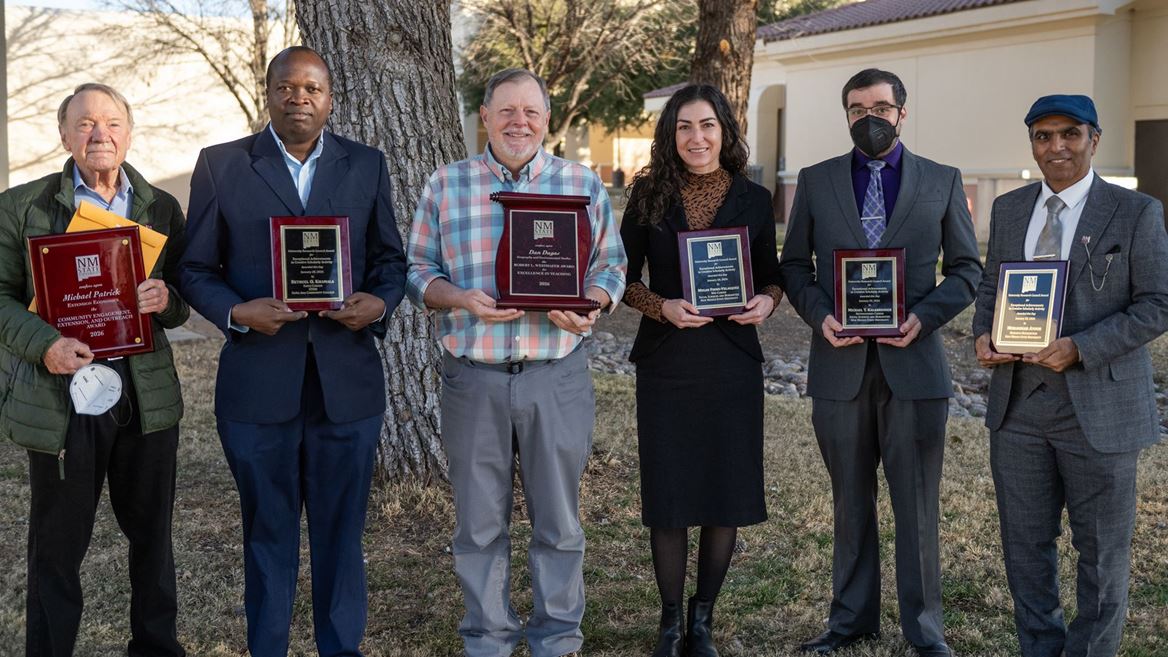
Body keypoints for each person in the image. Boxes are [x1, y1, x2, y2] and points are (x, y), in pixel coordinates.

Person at [178, 47, 406, 657]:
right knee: (267, 532)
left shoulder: (367, 164)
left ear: (330, 98)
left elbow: (390, 262)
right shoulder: (222, 166)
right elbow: (195, 268)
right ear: (269, 93)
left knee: (340, 535)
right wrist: (236, 313)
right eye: (286, 87)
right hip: (258, 386)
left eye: (312, 88)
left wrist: (377, 305)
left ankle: (340, 648)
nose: (298, 98)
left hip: (346, 385)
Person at [406, 68, 626, 657]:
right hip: (473, 378)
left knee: (559, 522)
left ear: (548, 120)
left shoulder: (580, 183)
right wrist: (459, 298)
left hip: (556, 376)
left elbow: (611, 267)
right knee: (478, 525)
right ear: (484, 117)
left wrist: (592, 305)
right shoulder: (445, 185)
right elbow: (418, 272)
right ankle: (488, 638)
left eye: (531, 111)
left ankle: (557, 637)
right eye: (506, 111)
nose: (519, 122)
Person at [778, 68, 982, 657]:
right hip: (839, 367)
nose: (869, 117)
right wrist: (821, 316)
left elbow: (968, 269)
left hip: (914, 366)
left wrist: (926, 316)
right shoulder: (815, 182)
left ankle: (924, 630)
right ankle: (850, 620)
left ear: (902, 112)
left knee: (917, 503)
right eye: (856, 107)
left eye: (880, 107)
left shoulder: (941, 181)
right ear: (845, 114)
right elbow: (793, 267)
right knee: (850, 501)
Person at [972, 95, 1168, 657]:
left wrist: (1080, 348)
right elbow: (992, 288)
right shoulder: (1010, 209)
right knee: (1025, 546)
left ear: (1094, 139)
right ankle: (1039, 647)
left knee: (1102, 551)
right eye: (1043, 136)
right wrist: (984, 334)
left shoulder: (1136, 212)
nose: (1056, 146)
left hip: (1099, 406)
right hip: (1018, 408)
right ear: (1032, 143)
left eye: (1070, 135)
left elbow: (1157, 303)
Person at [0, 83, 187, 657]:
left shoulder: (160, 207)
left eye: (110, 122)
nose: (99, 134)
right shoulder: (23, 206)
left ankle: (156, 648)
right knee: (57, 544)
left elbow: (180, 299)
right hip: (63, 396)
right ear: (63, 135)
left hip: (144, 393)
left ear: (128, 132)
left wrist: (167, 301)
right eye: (84, 124)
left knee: (152, 537)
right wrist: (44, 345)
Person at [619, 84, 782, 657]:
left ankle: (702, 622)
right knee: (670, 493)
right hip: (667, 362)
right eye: (685, 127)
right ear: (671, 135)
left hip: (731, 362)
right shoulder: (646, 197)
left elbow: (771, 276)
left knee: (724, 489)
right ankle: (669, 624)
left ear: (725, 131)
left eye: (707, 125)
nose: (697, 137)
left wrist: (767, 302)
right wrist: (660, 306)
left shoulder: (756, 199)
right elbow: (622, 277)